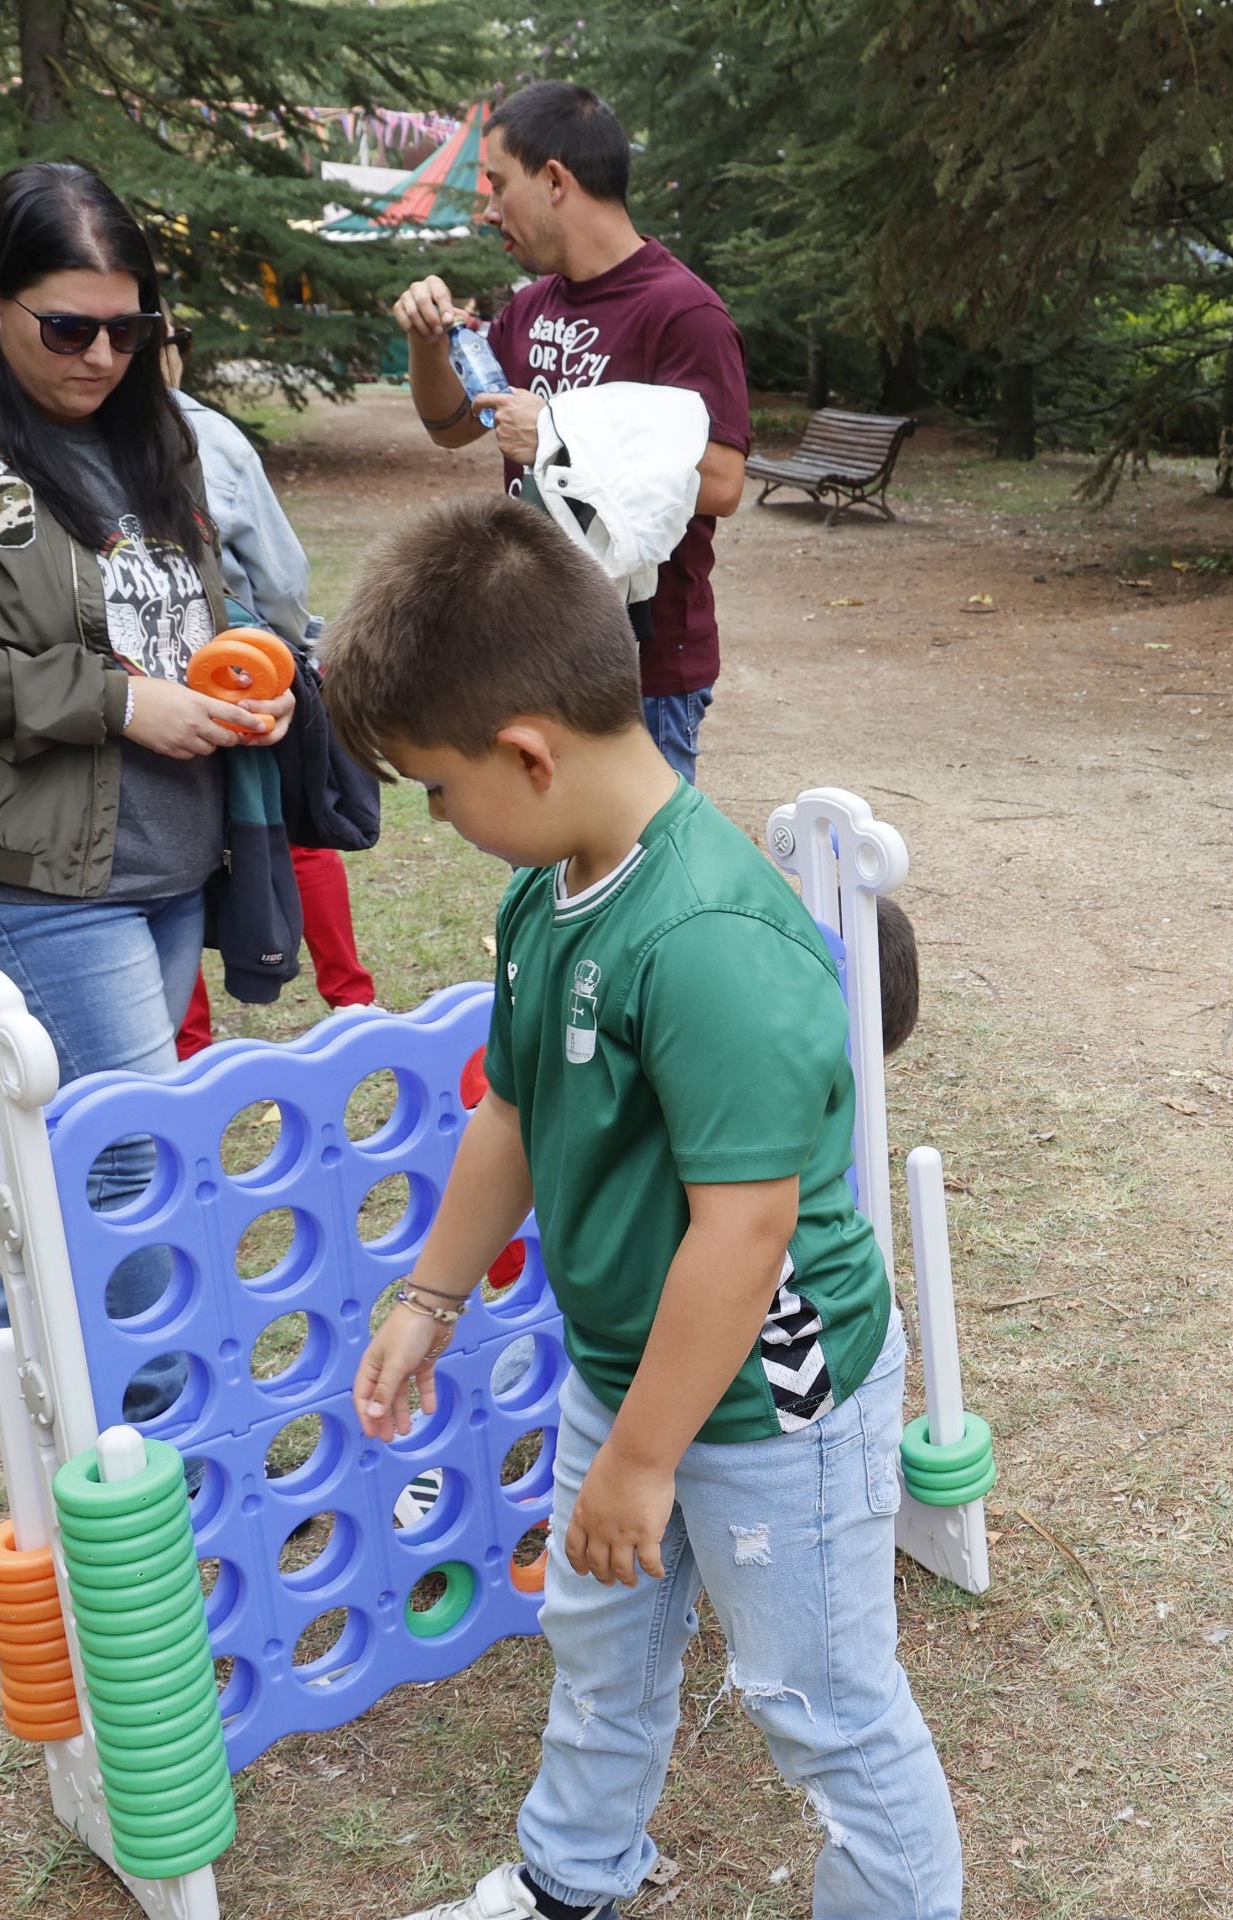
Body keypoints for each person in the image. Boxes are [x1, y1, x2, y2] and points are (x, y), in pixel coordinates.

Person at [321, 495, 960, 1920]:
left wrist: (639, 1461)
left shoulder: (711, 945)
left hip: (762, 1413)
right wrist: (427, 1296)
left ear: (527, 752)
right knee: (599, 1648)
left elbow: (744, 1237)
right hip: (634, 1380)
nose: (434, 818)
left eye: (432, 785)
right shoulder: (554, 886)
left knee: (822, 1706)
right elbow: (511, 1110)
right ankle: (570, 1881)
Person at [0, 162, 292, 1414]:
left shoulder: (150, 428)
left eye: (129, 329)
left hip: (169, 854)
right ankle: (147, 1457)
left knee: (91, 1170)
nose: (100, 355)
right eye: (68, 327)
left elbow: (190, 603)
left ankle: (42, 1394)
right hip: (24, 868)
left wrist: (248, 683)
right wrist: (126, 702)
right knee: (134, 1158)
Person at [392, 82, 750, 784]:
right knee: (546, 878)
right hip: (533, 645)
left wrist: (559, 432)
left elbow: (722, 481)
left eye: (497, 184)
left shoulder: (681, 311)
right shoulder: (531, 308)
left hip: (640, 669)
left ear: (554, 179)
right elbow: (452, 428)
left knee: (634, 885)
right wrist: (427, 342)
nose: (489, 210)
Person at [159, 319, 375, 1055]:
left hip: (142, 688)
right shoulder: (205, 433)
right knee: (295, 831)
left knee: (166, 850)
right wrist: (294, 649)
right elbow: (279, 576)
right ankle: (352, 999)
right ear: (168, 352)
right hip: (244, 666)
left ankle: (186, 1044)